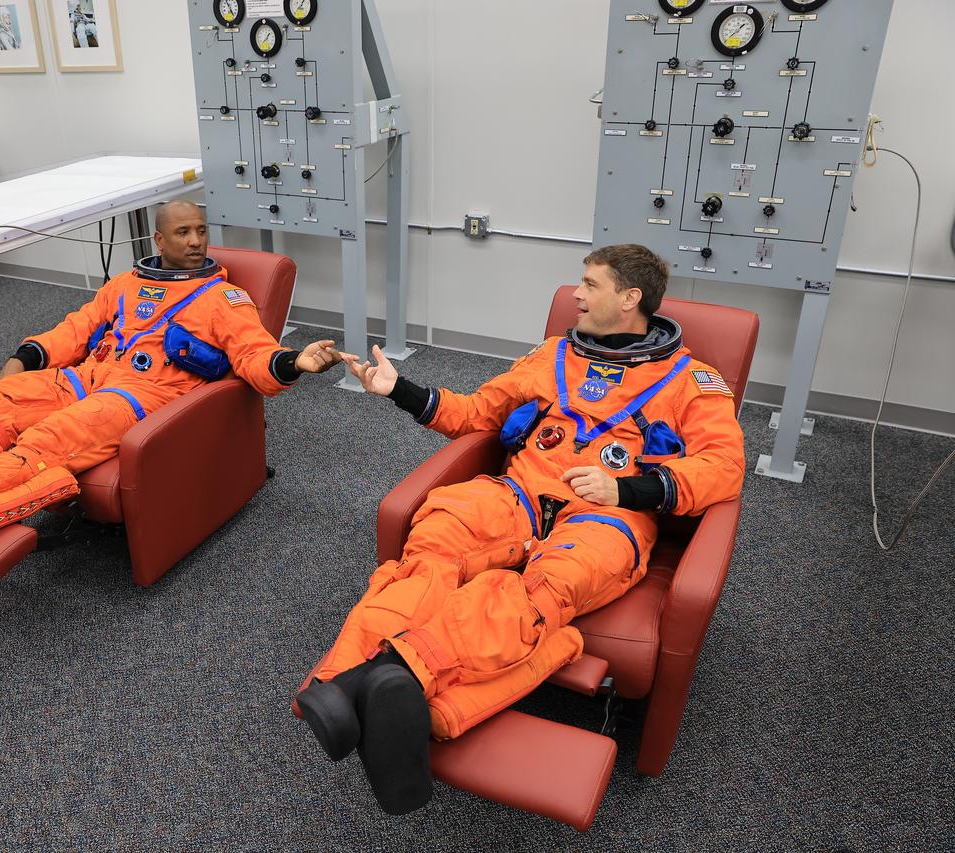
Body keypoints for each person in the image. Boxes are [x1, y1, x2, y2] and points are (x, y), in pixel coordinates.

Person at [295, 244, 745, 814]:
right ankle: (344, 682)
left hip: (607, 516)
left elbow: (724, 468)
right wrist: (398, 390)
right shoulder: (552, 357)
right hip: (521, 496)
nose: (576, 296)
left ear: (631, 298)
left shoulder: (693, 380)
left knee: (546, 587)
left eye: (590, 285)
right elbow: (476, 412)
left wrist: (625, 489)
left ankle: (385, 677)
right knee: (438, 532)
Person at [0, 201, 342, 586]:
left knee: (49, 440)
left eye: (201, 230)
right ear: (159, 240)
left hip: (140, 396)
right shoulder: (125, 285)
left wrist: (294, 361)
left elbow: (253, 354)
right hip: (83, 378)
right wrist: (28, 356)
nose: (197, 241)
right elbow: (76, 328)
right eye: (183, 233)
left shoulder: (224, 297)